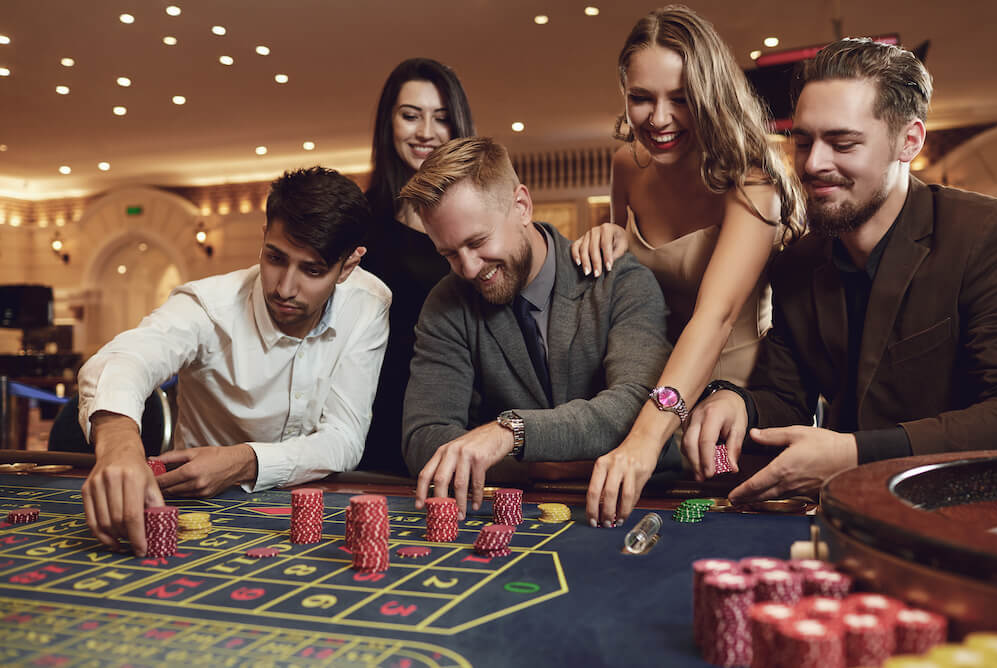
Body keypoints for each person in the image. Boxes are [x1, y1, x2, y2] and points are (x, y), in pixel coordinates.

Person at [685, 38, 997, 503]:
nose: (813, 164)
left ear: (909, 141)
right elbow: (785, 395)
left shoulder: (985, 236)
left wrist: (855, 453)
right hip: (845, 517)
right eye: (803, 141)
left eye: (843, 142)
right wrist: (738, 403)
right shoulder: (799, 260)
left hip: (968, 519)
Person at [78, 166, 391, 556]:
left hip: (311, 519)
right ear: (263, 238)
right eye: (275, 257)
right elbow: (126, 357)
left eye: (311, 270)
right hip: (195, 509)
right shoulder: (208, 306)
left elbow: (343, 438)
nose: (284, 288)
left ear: (348, 266)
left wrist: (245, 460)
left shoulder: (368, 304)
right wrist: (118, 443)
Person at [573, 6, 804, 526]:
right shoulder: (627, 165)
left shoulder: (753, 182)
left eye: (681, 99)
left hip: (726, 410)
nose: (658, 119)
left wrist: (646, 438)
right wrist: (608, 237)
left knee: (716, 538)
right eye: (641, 98)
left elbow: (715, 318)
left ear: (711, 94)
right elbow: (627, 289)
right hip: (643, 391)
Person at [398, 136, 671, 519]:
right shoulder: (447, 302)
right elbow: (424, 439)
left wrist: (511, 433)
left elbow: (637, 406)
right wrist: (550, 464)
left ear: (521, 206)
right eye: (449, 253)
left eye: (478, 241)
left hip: (634, 507)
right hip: (516, 518)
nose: (470, 268)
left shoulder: (619, 281)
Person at [360, 58, 476, 475]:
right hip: (382, 413)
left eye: (441, 118)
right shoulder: (360, 220)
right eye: (411, 116)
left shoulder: (480, 220)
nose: (426, 132)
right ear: (388, 123)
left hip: (470, 412)